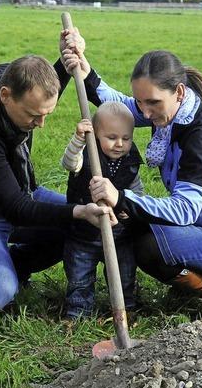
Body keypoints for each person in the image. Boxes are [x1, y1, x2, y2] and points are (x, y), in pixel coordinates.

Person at [61, 32, 202, 326]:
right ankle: (192, 276)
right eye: (140, 101)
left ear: (179, 93)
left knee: (146, 244)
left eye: (152, 103)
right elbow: (119, 107)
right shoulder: (171, 111)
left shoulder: (201, 136)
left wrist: (121, 197)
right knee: (135, 223)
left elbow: (184, 210)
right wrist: (85, 71)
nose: (144, 112)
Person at [0, 54, 117, 310]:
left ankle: (14, 264)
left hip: (21, 193)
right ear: (5, 96)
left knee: (82, 227)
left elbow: (41, 90)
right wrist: (80, 211)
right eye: (33, 116)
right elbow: (16, 208)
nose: (40, 125)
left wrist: (67, 59)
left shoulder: (10, 81)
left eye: (46, 114)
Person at [60, 102, 144, 318]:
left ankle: (126, 310)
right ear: (96, 135)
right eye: (112, 137)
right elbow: (69, 163)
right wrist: (79, 140)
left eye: (126, 138)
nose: (119, 144)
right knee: (80, 276)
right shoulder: (86, 155)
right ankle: (78, 312)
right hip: (83, 234)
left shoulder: (130, 161)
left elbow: (137, 194)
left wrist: (129, 210)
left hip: (120, 236)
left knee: (124, 275)